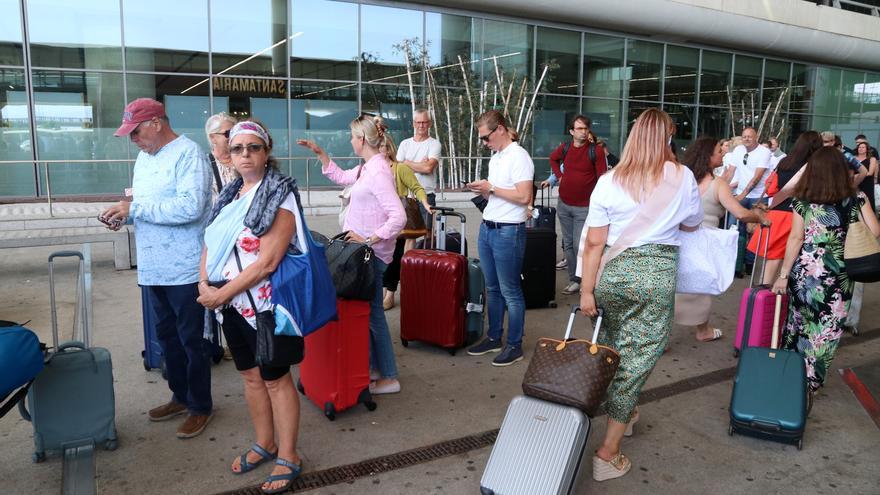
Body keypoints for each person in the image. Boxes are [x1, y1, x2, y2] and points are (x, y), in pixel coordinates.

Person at [578, 108, 702, 481]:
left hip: (611, 277)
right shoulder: (683, 176)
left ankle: (626, 412)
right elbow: (693, 224)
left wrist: (587, 291)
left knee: (616, 347)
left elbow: (594, 241)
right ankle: (607, 452)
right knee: (637, 359)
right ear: (667, 139)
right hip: (654, 278)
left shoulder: (609, 180)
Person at [197, 120, 305, 494]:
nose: (245, 154)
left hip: (264, 307)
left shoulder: (280, 195)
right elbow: (210, 242)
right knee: (249, 376)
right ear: (229, 151)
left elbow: (268, 262)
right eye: (238, 147)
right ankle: (266, 442)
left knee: (276, 380)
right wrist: (203, 283)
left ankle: (288, 456)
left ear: (266, 151)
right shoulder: (229, 195)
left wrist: (220, 294)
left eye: (253, 147)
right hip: (228, 305)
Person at [102, 98, 213, 439]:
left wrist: (135, 210)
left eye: (136, 132)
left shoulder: (189, 154)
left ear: (156, 123)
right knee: (167, 338)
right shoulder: (144, 157)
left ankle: (200, 405)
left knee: (191, 340)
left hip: (184, 268)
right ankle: (180, 395)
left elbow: (190, 207)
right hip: (153, 267)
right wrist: (125, 214)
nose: (133, 139)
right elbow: (147, 205)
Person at [297, 114, 406, 394]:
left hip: (370, 257)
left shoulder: (378, 172)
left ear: (361, 140)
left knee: (374, 317)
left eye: (351, 136)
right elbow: (342, 177)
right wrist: (322, 155)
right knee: (369, 315)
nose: (349, 140)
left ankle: (389, 376)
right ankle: (373, 369)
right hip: (362, 255)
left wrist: (370, 238)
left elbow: (399, 217)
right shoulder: (367, 168)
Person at [771, 147, 880, 405]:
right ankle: (811, 384)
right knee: (825, 332)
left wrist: (783, 276)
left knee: (797, 326)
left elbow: (796, 239)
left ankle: (790, 374)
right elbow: (874, 231)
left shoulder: (802, 200)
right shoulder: (857, 198)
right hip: (839, 277)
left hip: (804, 275)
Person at [674, 137, 768, 342]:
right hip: (703, 241)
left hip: (676, 238)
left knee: (673, 286)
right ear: (708, 156)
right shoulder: (718, 184)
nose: (723, 153)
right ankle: (703, 331)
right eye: (719, 150)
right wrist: (759, 216)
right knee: (701, 285)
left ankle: (663, 336)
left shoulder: (681, 178)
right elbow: (740, 214)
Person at [465, 110, 534, 367]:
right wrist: (483, 189)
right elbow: (502, 193)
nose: (484, 143)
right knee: (493, 289)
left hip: (508, 230)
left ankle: (514, 344)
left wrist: (490, 188)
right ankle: (494, 336)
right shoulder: (497, 157)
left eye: (486, 137)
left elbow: (524, 196)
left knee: (510, 290)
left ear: (501, 129)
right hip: (489, 228)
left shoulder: (519, 156)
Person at [746, 131, 823, 284]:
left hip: (777, 213)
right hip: (798, 215)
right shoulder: (815, 166)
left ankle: (763, 291)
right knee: (788, 259)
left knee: (773, 257)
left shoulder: (784, 162)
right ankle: (769, 294)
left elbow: (771, 189)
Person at [548, 115, 608, 295]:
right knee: (568, 244)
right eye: (579, 129)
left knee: (578, 244)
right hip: (564, 203)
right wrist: (559, 176)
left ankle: (586, 281)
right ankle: (575, 280)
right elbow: (552, 159)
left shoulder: (595, 151)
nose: (583, 132)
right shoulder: (565, 148)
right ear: (572, 132)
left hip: (585, 207)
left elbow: (602, 178)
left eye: (586, 128)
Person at [379, 127, 433, 311]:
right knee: (379, 256)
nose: (378, 151)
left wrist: (425, 203)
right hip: (377, 220)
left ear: (388, 149)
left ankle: (390, 293)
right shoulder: (371, 170)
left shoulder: (400, 168)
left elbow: (417, 188)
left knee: (393, 258)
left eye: (381, 147)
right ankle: (382, 290)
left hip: (396, 221)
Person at [729, 127, 773, 272]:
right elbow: (731, 171)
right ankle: (737, 264)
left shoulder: (764, 152)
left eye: (749, 136)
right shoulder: (738, 150)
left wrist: (742, 195)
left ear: (756, 137)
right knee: (736, 230)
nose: (746, 139)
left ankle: (750, 264)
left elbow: (757, 177)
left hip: (758, 197)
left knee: (755, 232)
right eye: (744, 136)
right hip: (740, 193)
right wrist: (722, 187)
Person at [396, 109, 442, 226]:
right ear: (413, 123)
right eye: (418, 122)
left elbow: (428, 168)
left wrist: (406, 163)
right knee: (405, 235)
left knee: (427, 234)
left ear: (429, 124)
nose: (421, 125)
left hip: (426, 196)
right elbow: (398, 169)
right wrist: (420, 164)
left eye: (424, 122)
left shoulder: (434, 144)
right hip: (406, 197)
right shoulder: (404, 144)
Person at [205, 112, 239, 199]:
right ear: (213, 137)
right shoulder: (204, 166)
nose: (233, 136)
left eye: (235, 132)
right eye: (228, 133)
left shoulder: (243, 160)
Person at [854, 141, 878, 212]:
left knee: (868, 200)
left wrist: (856, 175)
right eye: (859, 147)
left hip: (867, 182)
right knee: (855, 200)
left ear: (867, 149)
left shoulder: (872, 159)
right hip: (856, 182)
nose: (860, 149)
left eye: (863, 147)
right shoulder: (854, 158)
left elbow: (870, 172)